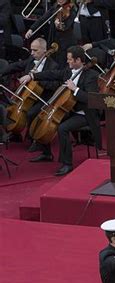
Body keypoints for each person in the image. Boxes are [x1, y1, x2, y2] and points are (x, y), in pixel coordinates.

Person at [25, 46, 102, 175]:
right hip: (70, 110)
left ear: (78, 60)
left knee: (62, 128)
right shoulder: (68, 71)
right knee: (44, 119)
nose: (68, 62)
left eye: (70, 59)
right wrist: (33, 76)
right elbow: (53, 74)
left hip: (84, 114)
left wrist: (75, 89)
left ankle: (67, 164)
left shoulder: (91, 76)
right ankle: (46, 153)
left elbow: (91, 99)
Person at [0, 38, 59, 152]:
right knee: (10, 105)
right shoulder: (31, 59)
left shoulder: (53, 65)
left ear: (44, 50)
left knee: (31, 113)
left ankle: (34, 140)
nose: (32, 53)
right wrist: (2, 72)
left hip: (44, 97)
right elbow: (18, 65)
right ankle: (16, 133)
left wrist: (38, 77)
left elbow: (54, 85)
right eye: (31, 50)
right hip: (29, 95)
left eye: (35, 50)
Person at [25, 0, 78, 67]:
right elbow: (43, 18)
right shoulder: (56, 6)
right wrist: (32, 29)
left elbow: (66, 26)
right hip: (53, 39)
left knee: (60, 64)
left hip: (65, 43)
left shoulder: (72, 10)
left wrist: (59, 25)